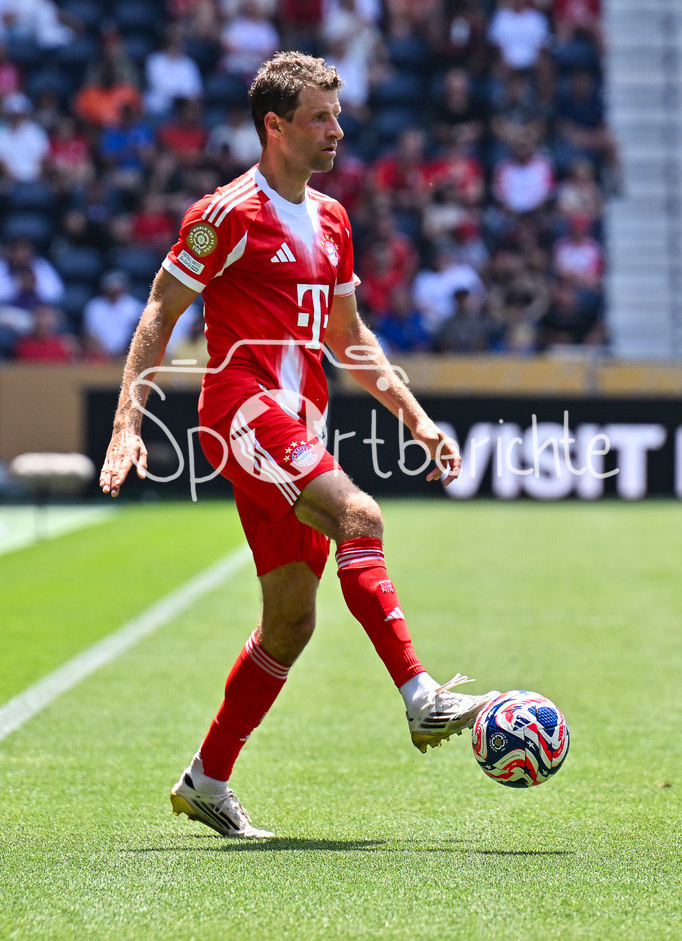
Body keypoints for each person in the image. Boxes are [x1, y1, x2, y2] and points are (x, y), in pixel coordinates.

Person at [99, 52, 498, 840]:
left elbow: (348, 339)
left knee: (290, 622)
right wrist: (127, 420)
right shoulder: (224, 213)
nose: (337, 130)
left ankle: (207, 780)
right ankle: (421, 697)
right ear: (274, 125)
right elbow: (159, 308)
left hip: (300, 420)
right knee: (360, 514)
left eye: (337, 116)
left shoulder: (334, 219)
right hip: (242, 408)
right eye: (321, 117)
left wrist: (412, 415)